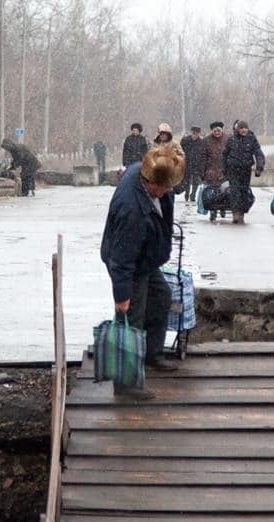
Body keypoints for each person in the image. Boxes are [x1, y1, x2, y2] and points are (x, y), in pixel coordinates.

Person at [100, 145, 186, 400]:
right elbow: (121, 259)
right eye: (166, 187)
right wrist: (122, 295)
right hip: (129, 264)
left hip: (145, 259)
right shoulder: (133, 210)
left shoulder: (146, 173)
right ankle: (125, 382)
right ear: (151, 183)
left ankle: (151, 354)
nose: (170, 191)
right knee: (130, 319)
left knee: (161, 298)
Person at [221, 120, 264, 224]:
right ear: (238, 129)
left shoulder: (251, 139)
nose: (243, 130)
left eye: (245, 128)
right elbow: (225, 154)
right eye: (241, 128)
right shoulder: (231, 139)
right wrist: (224, 169)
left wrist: (259, 167)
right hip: (233, 169)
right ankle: (235, 213)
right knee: (235, 191)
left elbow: (258, 153)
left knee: (244, 191)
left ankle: (242, 213)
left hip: (245, 169)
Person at [199, 121, 227, 221]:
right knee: (212, 194)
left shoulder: (227, 139)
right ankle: (213, 211)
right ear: (212, 131)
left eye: (219, 130)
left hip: (224, 171)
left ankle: (223, 207)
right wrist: (202, 172)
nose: (217, 132)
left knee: (224, 192)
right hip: (211, 171)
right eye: (215, 131)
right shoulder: (206, 141)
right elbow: (202, 157)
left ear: (222, 130)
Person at [179, 125, 204, 202]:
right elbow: (180, 149)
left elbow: (203, 153)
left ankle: (193, 194)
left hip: (197, 163)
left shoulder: (201, 142)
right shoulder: (185, 140)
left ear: (199, 134)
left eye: (196, 133)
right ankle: (186, 193)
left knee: (195, 180)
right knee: (187, 180)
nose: (195, 135)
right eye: (193, 133)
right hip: (187, 162)